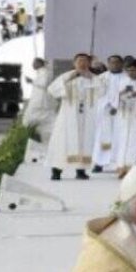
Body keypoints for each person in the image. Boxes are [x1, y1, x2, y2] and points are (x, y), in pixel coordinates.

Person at [47, 53, 104, 181]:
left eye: (85, 61)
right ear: (74, 63)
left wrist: (90, 78)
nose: (82, 64)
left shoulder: (94, 78)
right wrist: (70, 78)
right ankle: (57, 170)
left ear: (89, 63)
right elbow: (52, 90)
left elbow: (103, 91)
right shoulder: (67, 76)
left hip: (86, 116)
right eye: (79, 61)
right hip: (68, 116)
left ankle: (81, 170)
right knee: (63, 142)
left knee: (84, 142)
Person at [91, 55, 128, 173]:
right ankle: (99, 162)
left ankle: (119, 163)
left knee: (120, 137)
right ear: (108, 64)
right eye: (112, 63)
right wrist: (108, 105)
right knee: (102, 137)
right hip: (104, 112)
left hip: (121, 112)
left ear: (122, 64)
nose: (114, 65)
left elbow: (128, 94)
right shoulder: (101, 78)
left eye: (117, 62)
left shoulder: (127, 78)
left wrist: (116, 105)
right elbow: (97, 94)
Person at [22, 57, 57, 145]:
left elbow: (44, 84)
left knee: (36, 117)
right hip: (38, 100)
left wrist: (32, 81)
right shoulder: (41, 72)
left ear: (39, 64)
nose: (32, 65)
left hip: (41, 100)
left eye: (34, 63)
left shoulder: (44, 72)